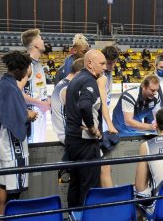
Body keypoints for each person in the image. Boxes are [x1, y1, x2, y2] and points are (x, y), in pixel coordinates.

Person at [0, 51, 38, 215]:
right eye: (26, 69)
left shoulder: (2, 83)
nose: (27, 73)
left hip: (2, 140)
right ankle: (11, 217)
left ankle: (1, 215)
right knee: (15, 190)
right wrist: (29, 115)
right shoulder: (11, 88)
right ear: (19, 69)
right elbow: (16, 117)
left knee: (4, 185)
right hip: (12, 144)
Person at [64, 50, 106, 207]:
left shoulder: (76, 79)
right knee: (89, 186)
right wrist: (92, 127)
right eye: (101, 64)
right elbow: (85, 105)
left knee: (75, 183)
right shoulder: (89, 81)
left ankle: (73, 215)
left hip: (72, 140)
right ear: (90, 64)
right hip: (85, 143)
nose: (105, 68)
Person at [21, 28, 51, 143]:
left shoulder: (37, 63)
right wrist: (40, 103)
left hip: (40, 111)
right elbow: (18, 93)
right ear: (36, 44)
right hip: (33, 114)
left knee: (40, 144)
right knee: (35, 148)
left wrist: (46, 99)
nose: (43, 41)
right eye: (41, 39)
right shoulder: (27, 65)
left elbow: (38, 88)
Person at [51, 58, 84, 145]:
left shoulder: (64, 83)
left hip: (67, 133)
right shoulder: (68, 88)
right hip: (69, 136)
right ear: (79, 73)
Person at [98, 46, 120, 134]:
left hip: (105, 107)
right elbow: (102, 102)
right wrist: (109, 124)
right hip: (99, 109)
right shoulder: (99, 74)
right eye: (110, 63)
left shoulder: (108, 71)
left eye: (114, 62)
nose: (113, 65)